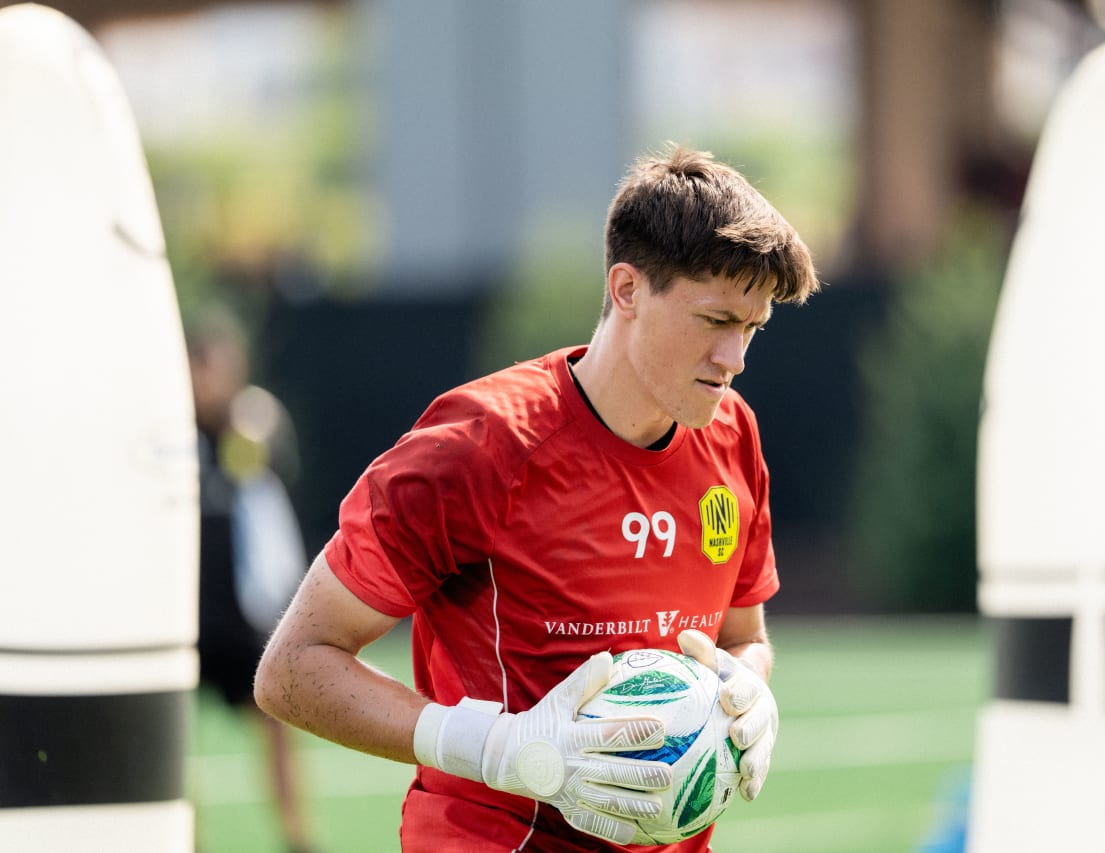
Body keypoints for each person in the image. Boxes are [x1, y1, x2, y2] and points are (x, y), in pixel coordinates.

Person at [254, 143, 822, 852]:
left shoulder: (732, 435)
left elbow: (742, 635)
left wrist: (747, 691)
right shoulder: (480, 446)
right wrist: (498, 746)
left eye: (752, 328)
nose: (735, 358)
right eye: (715, 321)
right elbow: (292, 667)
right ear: (626, 289)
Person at [187, 308, 317, 853]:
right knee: (172, 740)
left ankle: (296, 836)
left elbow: (268, 452)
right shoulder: (170, 429)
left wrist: (251, 428)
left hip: (243, 614)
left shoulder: (252, 420)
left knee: (276, 721)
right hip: (186, 614)